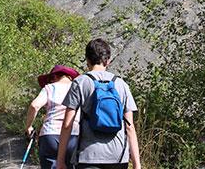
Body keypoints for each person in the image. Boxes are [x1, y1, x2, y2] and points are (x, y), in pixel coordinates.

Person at [56, 39, 141, 169]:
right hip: (118, 157)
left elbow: (67, 125)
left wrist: (60, 160)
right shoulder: (121, 85)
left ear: (87, 60)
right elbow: (130, 127)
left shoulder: (80, 82)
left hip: (88, 156)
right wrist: (137, 164)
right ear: (108, 60)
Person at [25, 65, 81, 169]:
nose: (49, 82)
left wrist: (28, 127)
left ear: (54, 77)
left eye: (50, 80)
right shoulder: (78, 88)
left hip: (50, 135)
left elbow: (34, 105)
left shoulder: (50, 88)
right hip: (73, 135)